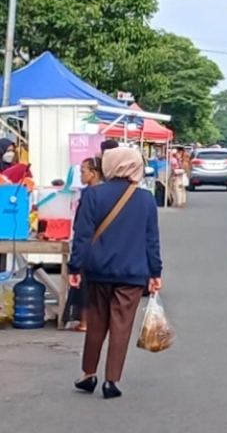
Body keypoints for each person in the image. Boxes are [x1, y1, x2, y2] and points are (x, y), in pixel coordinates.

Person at [68, 147, 161, 399]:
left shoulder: (94, 195)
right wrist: (155, 273)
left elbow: (83, 235)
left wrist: (74, 267)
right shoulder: (146, 199)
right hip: (132, 274)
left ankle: (88, 374)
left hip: (98, 271)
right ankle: (112, 380)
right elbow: (151, 240)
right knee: (121, 325)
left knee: (96, 322)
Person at [66, 157, 105, 332]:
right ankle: (88, 321)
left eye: (83, 171)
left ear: (94, 173)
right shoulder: (102, 193)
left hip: (88, 245)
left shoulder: (91, 194)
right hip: (99, 245)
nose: (81, 175)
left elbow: (82, 227)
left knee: (84, 287)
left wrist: (74, 261)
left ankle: (85, 322)